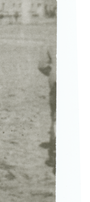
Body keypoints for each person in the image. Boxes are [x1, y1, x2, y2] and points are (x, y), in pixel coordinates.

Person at [38, 44, 57, 174]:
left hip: (58, 83)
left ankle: (54, 155)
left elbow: (42, 65)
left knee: (56, 118)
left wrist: (53, 73)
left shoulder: (52, 40)